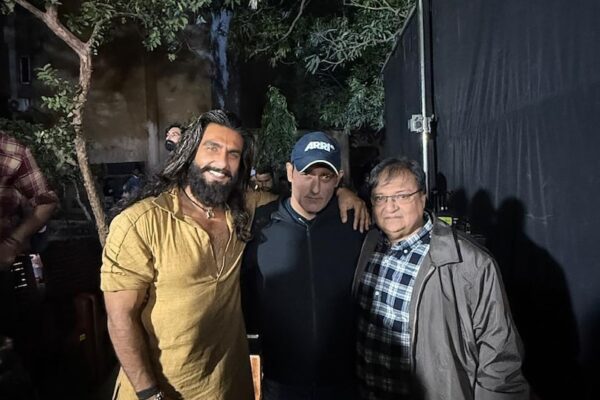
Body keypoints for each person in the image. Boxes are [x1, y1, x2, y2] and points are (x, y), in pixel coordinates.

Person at [101, 111, 368, 400]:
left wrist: (343, 193)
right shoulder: (139, 223)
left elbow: (299, 200)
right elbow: (120, 319)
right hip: (160, 393)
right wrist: (149, 394)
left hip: (230, 387)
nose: (222, 162)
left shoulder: (243, 212)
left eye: (233, 154)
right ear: (190, 153)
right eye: (212, 148)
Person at [354, 157, 529, 400]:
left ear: (423, 197)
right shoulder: (369, 245)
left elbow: (499, 360)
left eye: (401, 196)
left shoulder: (469, 262)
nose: (389, 207)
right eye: (380, 198)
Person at [242, 131, 366, 400]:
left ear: (338, 179)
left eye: (325, 177)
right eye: (307, 173)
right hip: (280, 383)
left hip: (345, 384)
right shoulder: (259, 226)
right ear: (290, 172)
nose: (315, 188)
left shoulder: (356, 224)